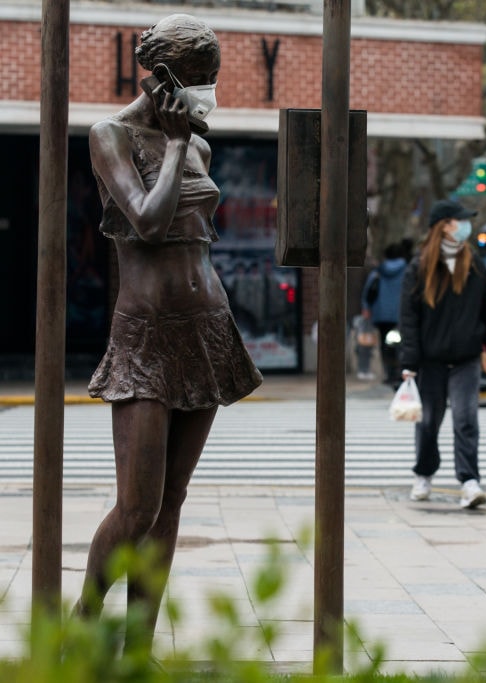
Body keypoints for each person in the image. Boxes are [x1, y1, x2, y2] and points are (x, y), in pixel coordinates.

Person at [76, 14, 263, 655]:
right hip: (146, 332)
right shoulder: (112, 136)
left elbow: (196, 237)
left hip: (207, 325)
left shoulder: (202, 145)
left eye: (213, 79)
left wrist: (189, 143)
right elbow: (148, 223)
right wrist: (178, 144)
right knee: (137, 507)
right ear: (161, 79)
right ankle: (83, 618)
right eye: (199, 80)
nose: (207, 92)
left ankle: (139, 646)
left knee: (172, 502)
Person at [399, 199, 486, 509]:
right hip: (430, 360)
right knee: (428, 421)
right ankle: (424, 474)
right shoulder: (419, 266)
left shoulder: (474, 264)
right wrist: (409, 361)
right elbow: (408, 318)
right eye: (461, 221)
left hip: (466, 358)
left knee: (465, 418)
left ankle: (469, 480)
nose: (466, 226)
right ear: (445, 225)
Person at [361, 242, 407, 385]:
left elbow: (368, 291)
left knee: (385, 345)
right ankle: (401, 371)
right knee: (402, 344)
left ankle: (389, 373)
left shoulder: (378, 271)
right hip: (401, 314)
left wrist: (366, 307)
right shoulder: (407, 270)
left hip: (381, 315)